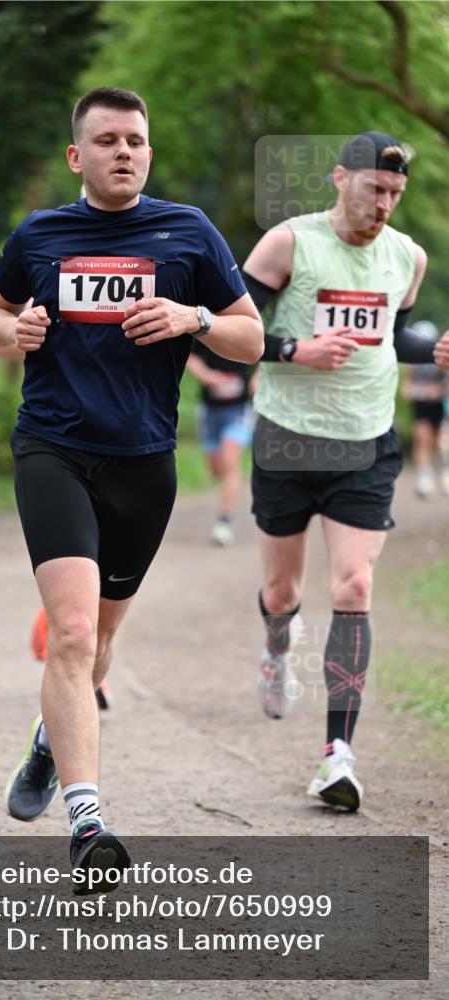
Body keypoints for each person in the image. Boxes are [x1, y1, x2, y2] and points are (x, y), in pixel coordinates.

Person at [0, 87, 263, 889]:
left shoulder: (189, 231)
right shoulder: (40, 234)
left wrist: (193, 319)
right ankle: (87, 824)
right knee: (69, 634)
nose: (123, 151)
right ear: (77, 156)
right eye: (106, 140)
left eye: (135, 139)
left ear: (148, 151)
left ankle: (48, 739)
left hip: (144, 462)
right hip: (54, 449)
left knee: (98, 643)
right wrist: (13, 331)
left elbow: (250, 337)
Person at [240, 131, 449, 811]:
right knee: (281, 591)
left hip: (364, 442)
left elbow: (393, 333)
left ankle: (338, 755)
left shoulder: (407, 256)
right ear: (339, 179)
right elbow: (228, 334)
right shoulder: (287, 244)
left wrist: (432, 350)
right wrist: (293, 349)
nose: (383, 205)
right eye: (373, 189)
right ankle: (277, 645)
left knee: (354, 585)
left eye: (395, 193)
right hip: (287, 438)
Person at [186, 341, 257, 545]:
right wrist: (207, 375)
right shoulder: (206, 330)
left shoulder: (246, 328)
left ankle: (224, 521)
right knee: (216, 469)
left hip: (239, 410)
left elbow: (265, 351)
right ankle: (229, 484)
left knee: (229, 462)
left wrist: (257, 379)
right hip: (210, 411)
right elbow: (190, 356)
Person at [401, 321, 449, 498]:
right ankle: (424, 477)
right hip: (421, 404)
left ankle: (443, 472)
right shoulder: (413, 363)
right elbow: (407, 385)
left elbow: (446, 383)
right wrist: (412, 391)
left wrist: (438, 391)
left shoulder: (441, 357)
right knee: (421, 438)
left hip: (439, 405)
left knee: (439, 441)